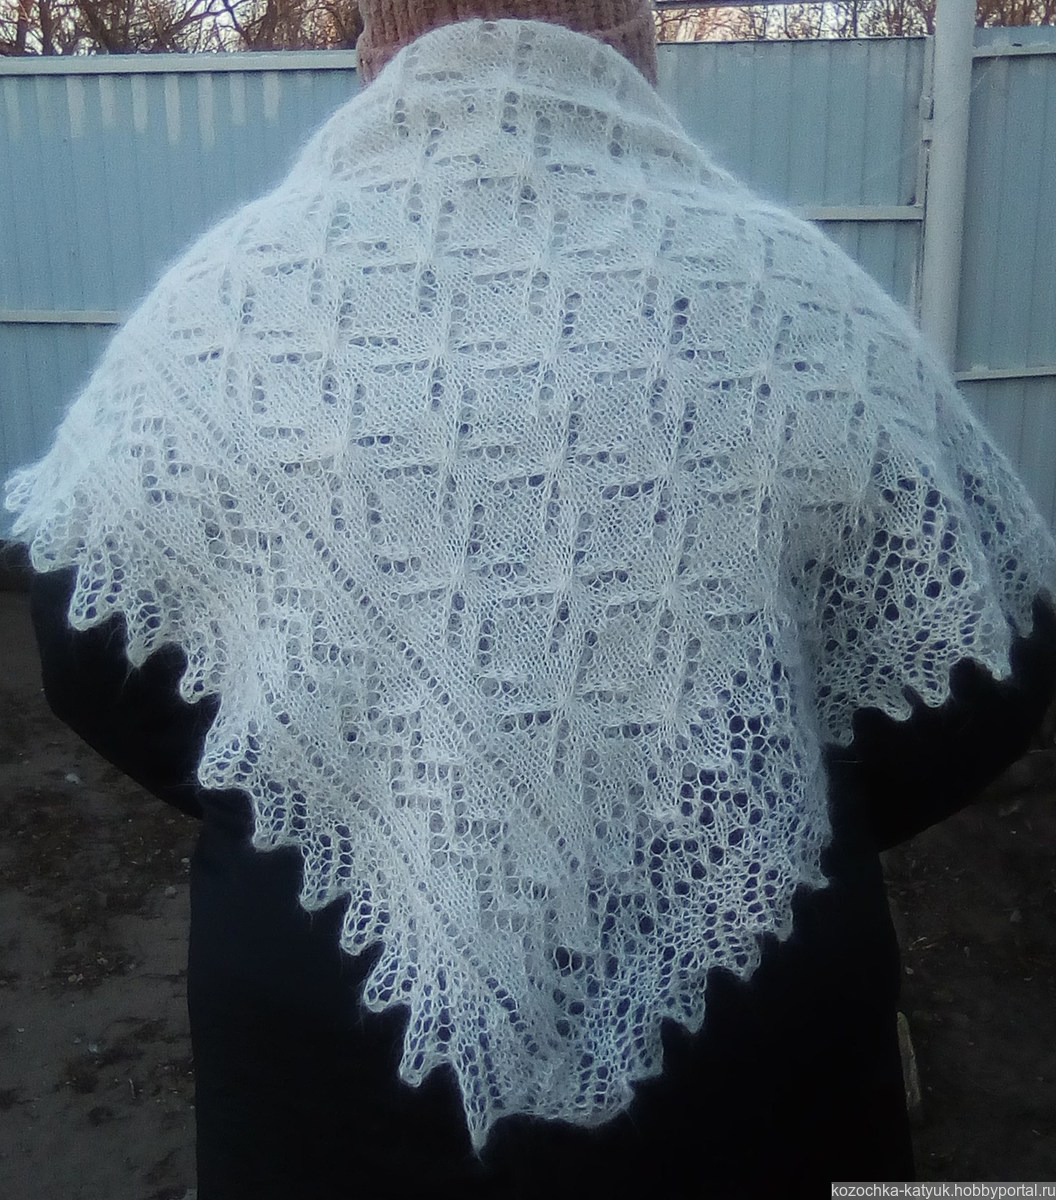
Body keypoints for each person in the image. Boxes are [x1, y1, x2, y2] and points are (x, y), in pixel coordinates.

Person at [8, 2, 1056, 1195]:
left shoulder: (223, 309)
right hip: (752, 1052)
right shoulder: (801, 300)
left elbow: (88, 650)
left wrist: (320, 764)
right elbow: (986, 671)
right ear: (635, 50)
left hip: (324, 1046)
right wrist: (754, 791)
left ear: (376, 57)